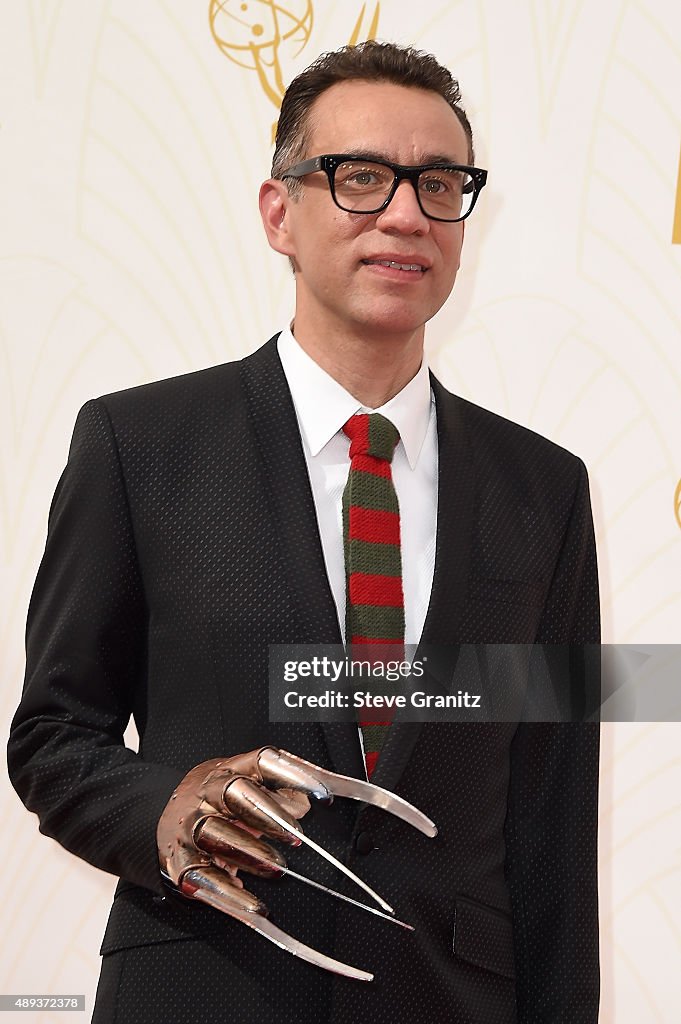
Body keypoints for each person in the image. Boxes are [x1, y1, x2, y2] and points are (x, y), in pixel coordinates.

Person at [8, 41, 600, 1024]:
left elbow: (552, 814)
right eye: (360, 178)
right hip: (202, 988)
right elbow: (51, 739)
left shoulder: (544, 487)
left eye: (439, 183)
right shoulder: (139, 444)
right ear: (279, 213)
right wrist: (163, 810)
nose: (406, 213)